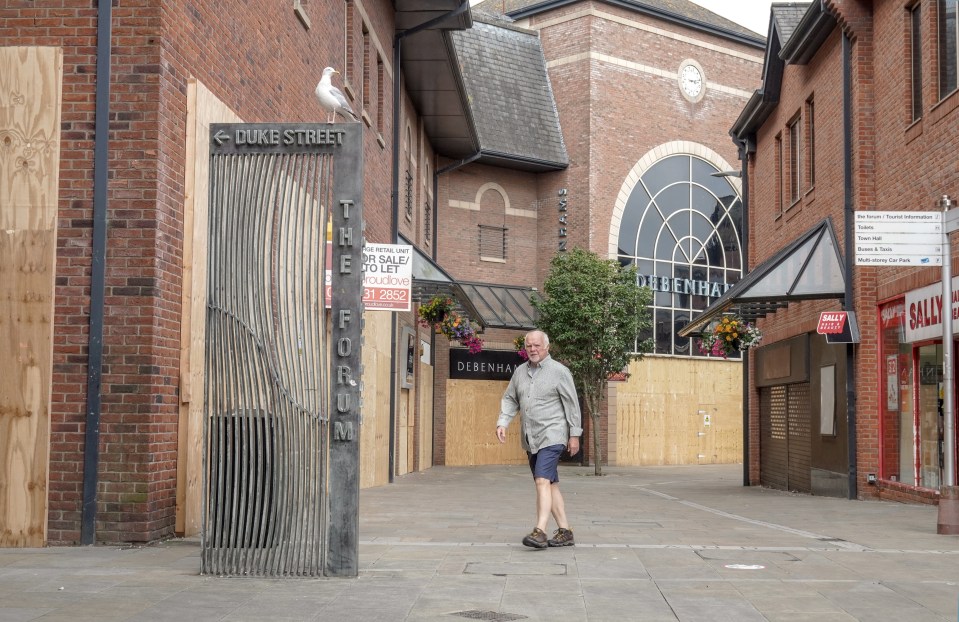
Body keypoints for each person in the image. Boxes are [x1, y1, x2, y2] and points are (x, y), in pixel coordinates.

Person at [496, 329, 582, 548]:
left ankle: (540, 531)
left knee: (541, 480)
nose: (533, 349)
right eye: (529, 346)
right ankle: (565, 531)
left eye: (537, 346)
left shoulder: (559, 372)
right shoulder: (520, 373)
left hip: (552, 435)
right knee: (550, 484)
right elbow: (510, 398)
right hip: (531, 438)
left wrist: (574, 435)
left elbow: (572, 404)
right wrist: (503, 422)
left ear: (547, 347)